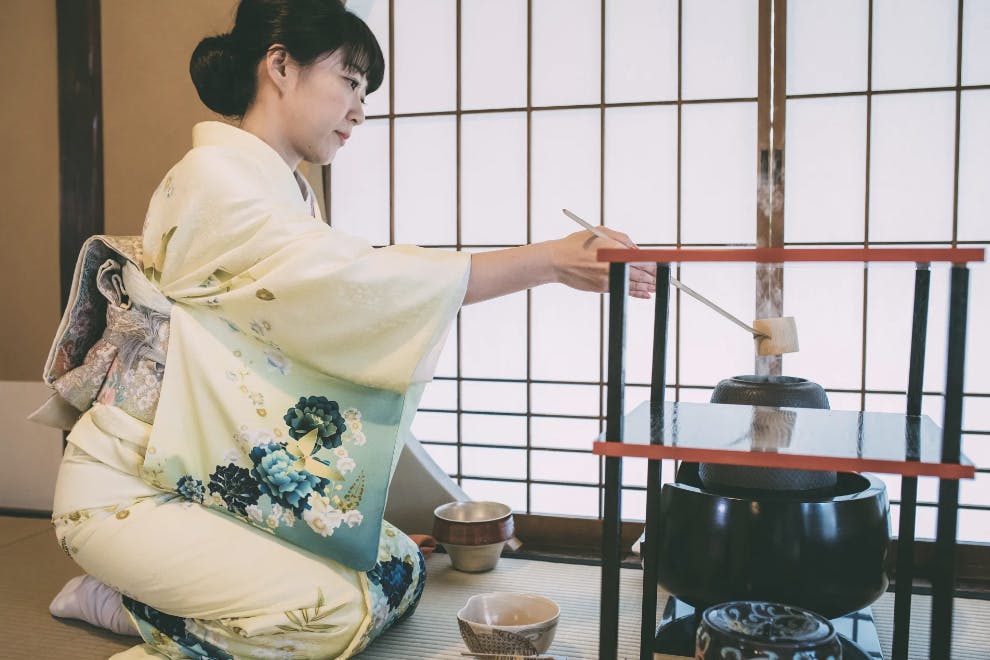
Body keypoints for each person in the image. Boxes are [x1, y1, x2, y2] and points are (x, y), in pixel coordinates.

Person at [39, 1, 656, 658]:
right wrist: (546, 261)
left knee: (398, 569)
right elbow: (356, 284)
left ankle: (144, 603)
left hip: (198, 471)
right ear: (279, 65)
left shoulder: (279, 192)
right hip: (134, 486)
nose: (361, 110)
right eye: (351, 83)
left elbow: (327, 306)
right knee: (330, 615)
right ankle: (127, 605)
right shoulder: (213, 180)